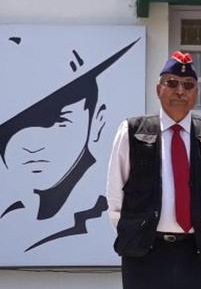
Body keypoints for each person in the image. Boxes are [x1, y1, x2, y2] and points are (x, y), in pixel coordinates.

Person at [106, 51, 201, 289]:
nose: (180, 91)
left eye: (188, 85)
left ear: (196, 92)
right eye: (172, 83)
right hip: (146, 253)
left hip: (194, 253)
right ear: (158, 89)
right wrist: (139, 231)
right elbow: (115, 198)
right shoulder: (133, 131)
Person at [0, 31, 139, 253]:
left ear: (97, 122)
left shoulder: (100, 218)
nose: (32, 143)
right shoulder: (12, 215)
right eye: (13, 127)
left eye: (58, 121)